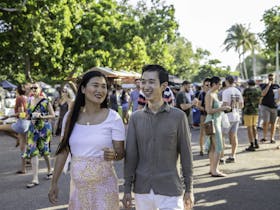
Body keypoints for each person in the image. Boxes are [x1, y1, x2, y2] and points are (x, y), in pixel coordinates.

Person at [48, 70, 125, 210]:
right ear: (83, 89)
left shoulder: (113, 118)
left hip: (105, 189)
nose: (100, 90)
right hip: (78, 190)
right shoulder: (70, 118)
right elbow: (63, 151)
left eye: (104, 86)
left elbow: (120, 153)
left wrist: (114, 154)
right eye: (95, 85)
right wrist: (54, 182)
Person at [123, 64, 194, 210]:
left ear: (163, 86)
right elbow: (131, 156)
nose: (146, 86)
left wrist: (189, 189)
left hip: (171, 191)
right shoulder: (135, 118)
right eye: (143, 81)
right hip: (142, 191)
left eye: (151, 82)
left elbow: (186, 154)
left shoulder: (178, 116)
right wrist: (126, 190)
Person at [24, 83, 55, 188]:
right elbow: (27, 115)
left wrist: (42, 116)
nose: (33, 89)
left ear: (40, 89)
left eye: (35, 87)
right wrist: (26, 117)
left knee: (45, 151)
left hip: (44, 129)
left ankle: (50, 169)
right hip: (33, 129)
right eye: (31, 88)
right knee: (33, 152)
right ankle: (35, 178)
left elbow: (53, 115)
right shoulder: (29, 101)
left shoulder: (45, 101)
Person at [205, 76, 231, 177]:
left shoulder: (214, 94)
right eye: (219, 84)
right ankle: (215, 170)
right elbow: (209, 110)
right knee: (218, 147)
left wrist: (222, 108)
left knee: (213, 147)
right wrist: (222, 108)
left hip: (215, 121)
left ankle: (213, 169)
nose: (220, 86)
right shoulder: (210, 94)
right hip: (213, 122)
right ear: (215, 84)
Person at [0, 84, 30, 173]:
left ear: (17, 90)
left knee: (1, 127)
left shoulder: (20, 98)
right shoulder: (26, 98)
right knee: (23, 146)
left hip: (21, 124)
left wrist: (8, 116)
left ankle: (17, 138)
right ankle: (23, 169)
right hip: (26, 123)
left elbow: (21, 113)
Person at [222, 75, 244, 163]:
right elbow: (242, 105)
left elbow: (225, 105)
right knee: (234, 136)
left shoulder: (226, 91)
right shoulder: (237, 91)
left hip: (227, 117)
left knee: (222, 136)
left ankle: (221, 157)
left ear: (227, 81)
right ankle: (233, 155)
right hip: (236, 116)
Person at [259, 73, 279, 143]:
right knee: (266, 122)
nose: (271, 79)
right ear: (268, 78)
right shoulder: (264, 85)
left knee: (273, 123)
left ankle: (272, 138)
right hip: (265, 106)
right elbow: (263, 94)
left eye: (272, 78)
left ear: (274, 78)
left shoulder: (277, 86)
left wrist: (278, 101)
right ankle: (264, 137)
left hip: (274, 107)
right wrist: (269, 85)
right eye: (270, 78)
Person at [243, 79, 262, 151]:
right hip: (256, 110)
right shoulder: (258, 90)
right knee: (254, 127)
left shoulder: (246, 90)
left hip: (248, 110)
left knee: (249, 128)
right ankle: (256, 142)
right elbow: (260, 100)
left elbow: (244, 99)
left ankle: (252, 144)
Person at [197, 78, 211, 156]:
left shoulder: (212, 93)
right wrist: (206, 109)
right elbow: (198, 106)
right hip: (204, 115)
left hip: (211, 116)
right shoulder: (201, 94)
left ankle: (209, 148)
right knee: (202, 133)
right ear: (203, 85)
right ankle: (201, 149)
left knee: (210, 133)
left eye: (209, 85)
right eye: (206, 85)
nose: (208, 86)